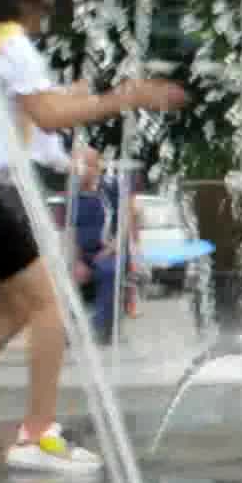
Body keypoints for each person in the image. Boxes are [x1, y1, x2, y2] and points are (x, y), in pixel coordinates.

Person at [0, 0, 187, 473]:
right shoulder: (8, 40)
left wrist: (68, 158)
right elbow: (49, 114)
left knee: (12, 305)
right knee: (50, 303)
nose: (49, 5)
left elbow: (15, 123)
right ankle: (37, 435)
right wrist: (128, 97)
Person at [64, 147, 141, 345]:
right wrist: (77, 261)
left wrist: (110, 249)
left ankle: (101, 328)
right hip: (83, 254)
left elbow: (126, 221)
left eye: (87, 164)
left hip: (110, 250)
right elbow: (70, 231)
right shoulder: (72, 196)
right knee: (60, 272)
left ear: (97, 167)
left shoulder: (110, 189)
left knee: (108, 270)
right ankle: (64, 329)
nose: (82, 169)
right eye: (78, 165)